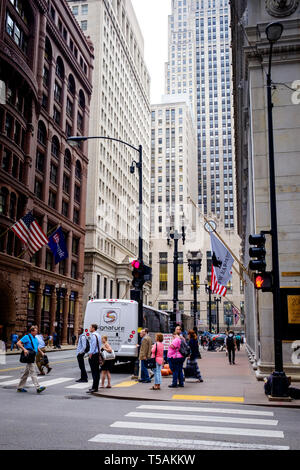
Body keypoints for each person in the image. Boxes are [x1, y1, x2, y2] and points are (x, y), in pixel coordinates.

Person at [16, 326, 46, 394]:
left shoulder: (35, 338)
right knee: (33, 372)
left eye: (37, 331)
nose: (37, 332)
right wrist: (24, 349)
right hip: (29, 356)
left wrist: (41, 352)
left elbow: (36, 346)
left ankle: (20, 388)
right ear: (32, 331)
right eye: (35, 331)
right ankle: (38, 387)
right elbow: (18, 343)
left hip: (32, 356)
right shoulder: (27, 337)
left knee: (25, 373)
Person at [87, 324, 101, 393]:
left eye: (90, 327)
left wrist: (90, 354)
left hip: (94, 355)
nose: (89, 328)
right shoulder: (98, 335)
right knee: (97, 372)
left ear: (93, 328)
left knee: (94, 372)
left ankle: (94, 388)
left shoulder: (93, 335)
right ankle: (95, 387)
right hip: (97, 354)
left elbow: (93, 345)